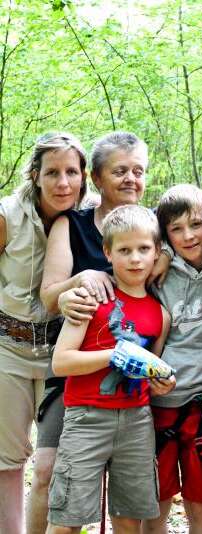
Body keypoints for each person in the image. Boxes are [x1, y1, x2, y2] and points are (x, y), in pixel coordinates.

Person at [30, 132, 171, 534]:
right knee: (47, 471)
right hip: (78, 374)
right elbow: (49, 297)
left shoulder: (150, 230)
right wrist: (83, 278)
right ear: (96, 177)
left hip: (135, 389)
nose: (130, 179)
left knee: (137, 494)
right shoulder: (72, 225)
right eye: (119, 171)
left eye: (138, 171)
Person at [0, 132, 86, 534]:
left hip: (60, 353)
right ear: (35, 174)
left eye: (72, 172)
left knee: (59, 461)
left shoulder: (88, 221)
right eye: (52, 172)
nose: (63, 182)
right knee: (7, 460)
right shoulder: (7, 216)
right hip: (9, 349)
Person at [144, 184, 202, 534]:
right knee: (155, 501)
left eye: (196, 224)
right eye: (176, 229)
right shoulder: (155, 273)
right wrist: (161, 253)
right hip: (161, 401)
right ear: (164, 235)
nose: (188, 235)